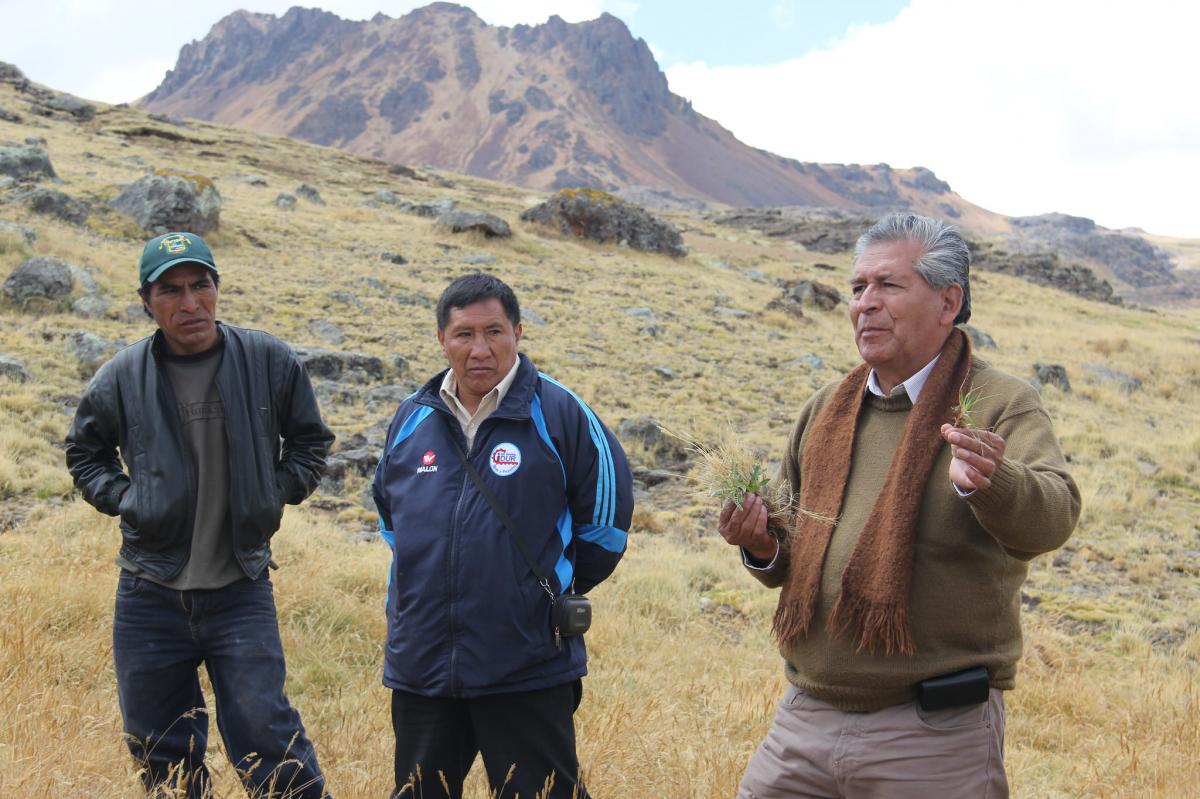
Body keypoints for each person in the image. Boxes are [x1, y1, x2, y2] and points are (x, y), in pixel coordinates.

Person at [719, 212, 1081, 798]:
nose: (866, 303)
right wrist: (760, 544)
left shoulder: (999, 404)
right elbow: (787, 552)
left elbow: (1055, 517)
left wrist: (995, 481)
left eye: (888, 285)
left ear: (947, 301)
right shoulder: (825, 410)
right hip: (804, 721)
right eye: (858, 287)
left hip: (933, 737)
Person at [65, 231, 335, 798]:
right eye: (171, 291)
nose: (190, 303)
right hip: (149, 592)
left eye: (200, 286)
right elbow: (85, 453)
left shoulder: (268, 360)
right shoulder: (121, 375)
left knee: (268, 734)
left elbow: (311, 442)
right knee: (158, 746)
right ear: (147, 301)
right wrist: (127, 500)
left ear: (216, 289)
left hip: (241, 587)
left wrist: (273, 490)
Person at [372, 273, 633, 799]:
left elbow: (605, 530)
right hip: (423, 662)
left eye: (494, 331)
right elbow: (391, 518)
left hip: (525, 664)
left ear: (518, 332)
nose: (480, 349)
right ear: (442, 341)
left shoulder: (561, 414)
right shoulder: (411, 417)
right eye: (464, 334)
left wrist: (527, 594)